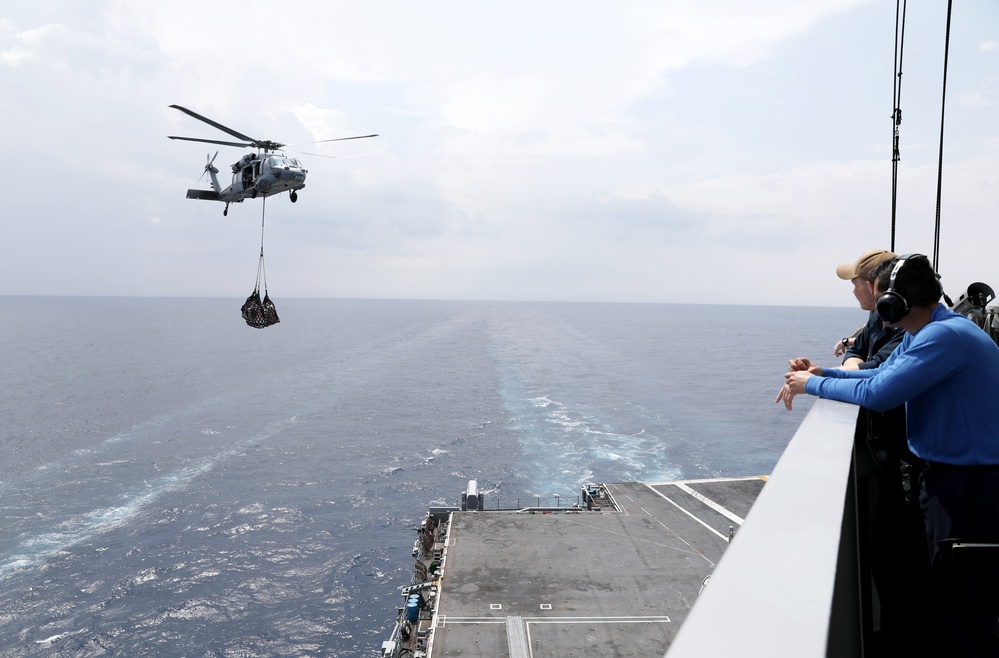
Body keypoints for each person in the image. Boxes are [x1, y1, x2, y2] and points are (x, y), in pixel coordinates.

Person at [778, 254, 999, 656]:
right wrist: (823, 373)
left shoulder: (943, 336)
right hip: (950, 482)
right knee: (948, 596)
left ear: (895, 302)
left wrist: (809, 386)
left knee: (965, 604)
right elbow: (878, 374)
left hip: (970, 487)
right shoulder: (927, 330)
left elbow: (879, 394)